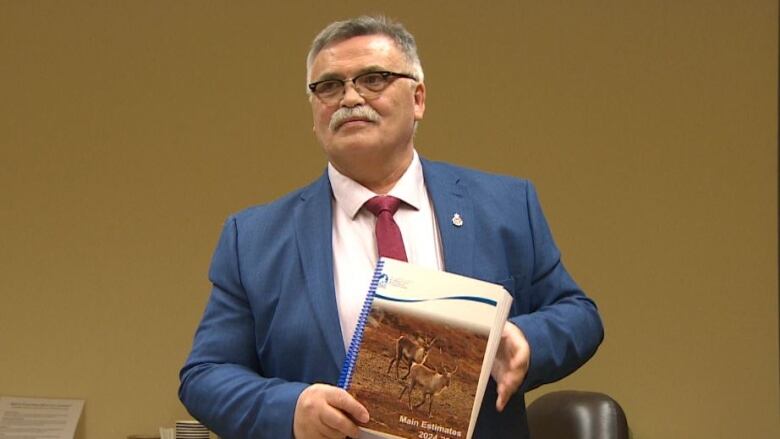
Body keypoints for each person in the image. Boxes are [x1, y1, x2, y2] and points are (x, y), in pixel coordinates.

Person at [179, 16, 603, 439]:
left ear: (418, 99)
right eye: (328, 86)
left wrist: (526, 342)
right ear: (313, 113)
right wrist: (291, 409)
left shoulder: (506, 207)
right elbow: (205, 375)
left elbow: (579, 316)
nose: (349, 98)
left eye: (374, 79)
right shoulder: (252, 239)